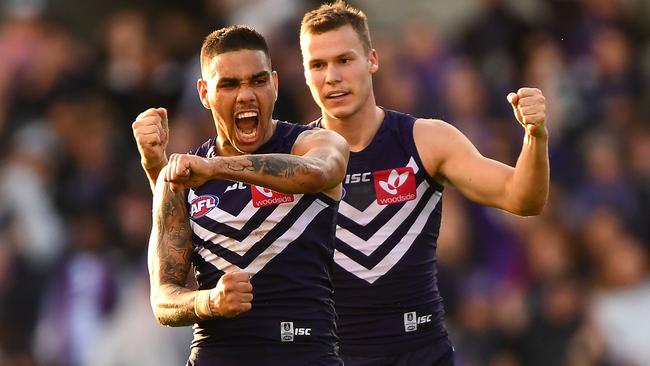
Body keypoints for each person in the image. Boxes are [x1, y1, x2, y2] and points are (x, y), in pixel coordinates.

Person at [298, 1, 549, 365]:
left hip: (422, 354)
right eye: (317, 65)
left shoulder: (425, 140)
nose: (331, 76)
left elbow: (523, 199)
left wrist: (535, 137)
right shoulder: (293, 160)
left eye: (344, 60)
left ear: (372, 60)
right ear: (303, 73)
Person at [134, 25, 349, 366]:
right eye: (230, 84)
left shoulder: (315, 143)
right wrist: (210, 302)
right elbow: (163, 300)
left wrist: (218, 168)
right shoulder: (181, 178)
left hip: (305, 354)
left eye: (258, 81)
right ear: (204, 93)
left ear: (275, 84)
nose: (246, 95)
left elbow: (320, 173)